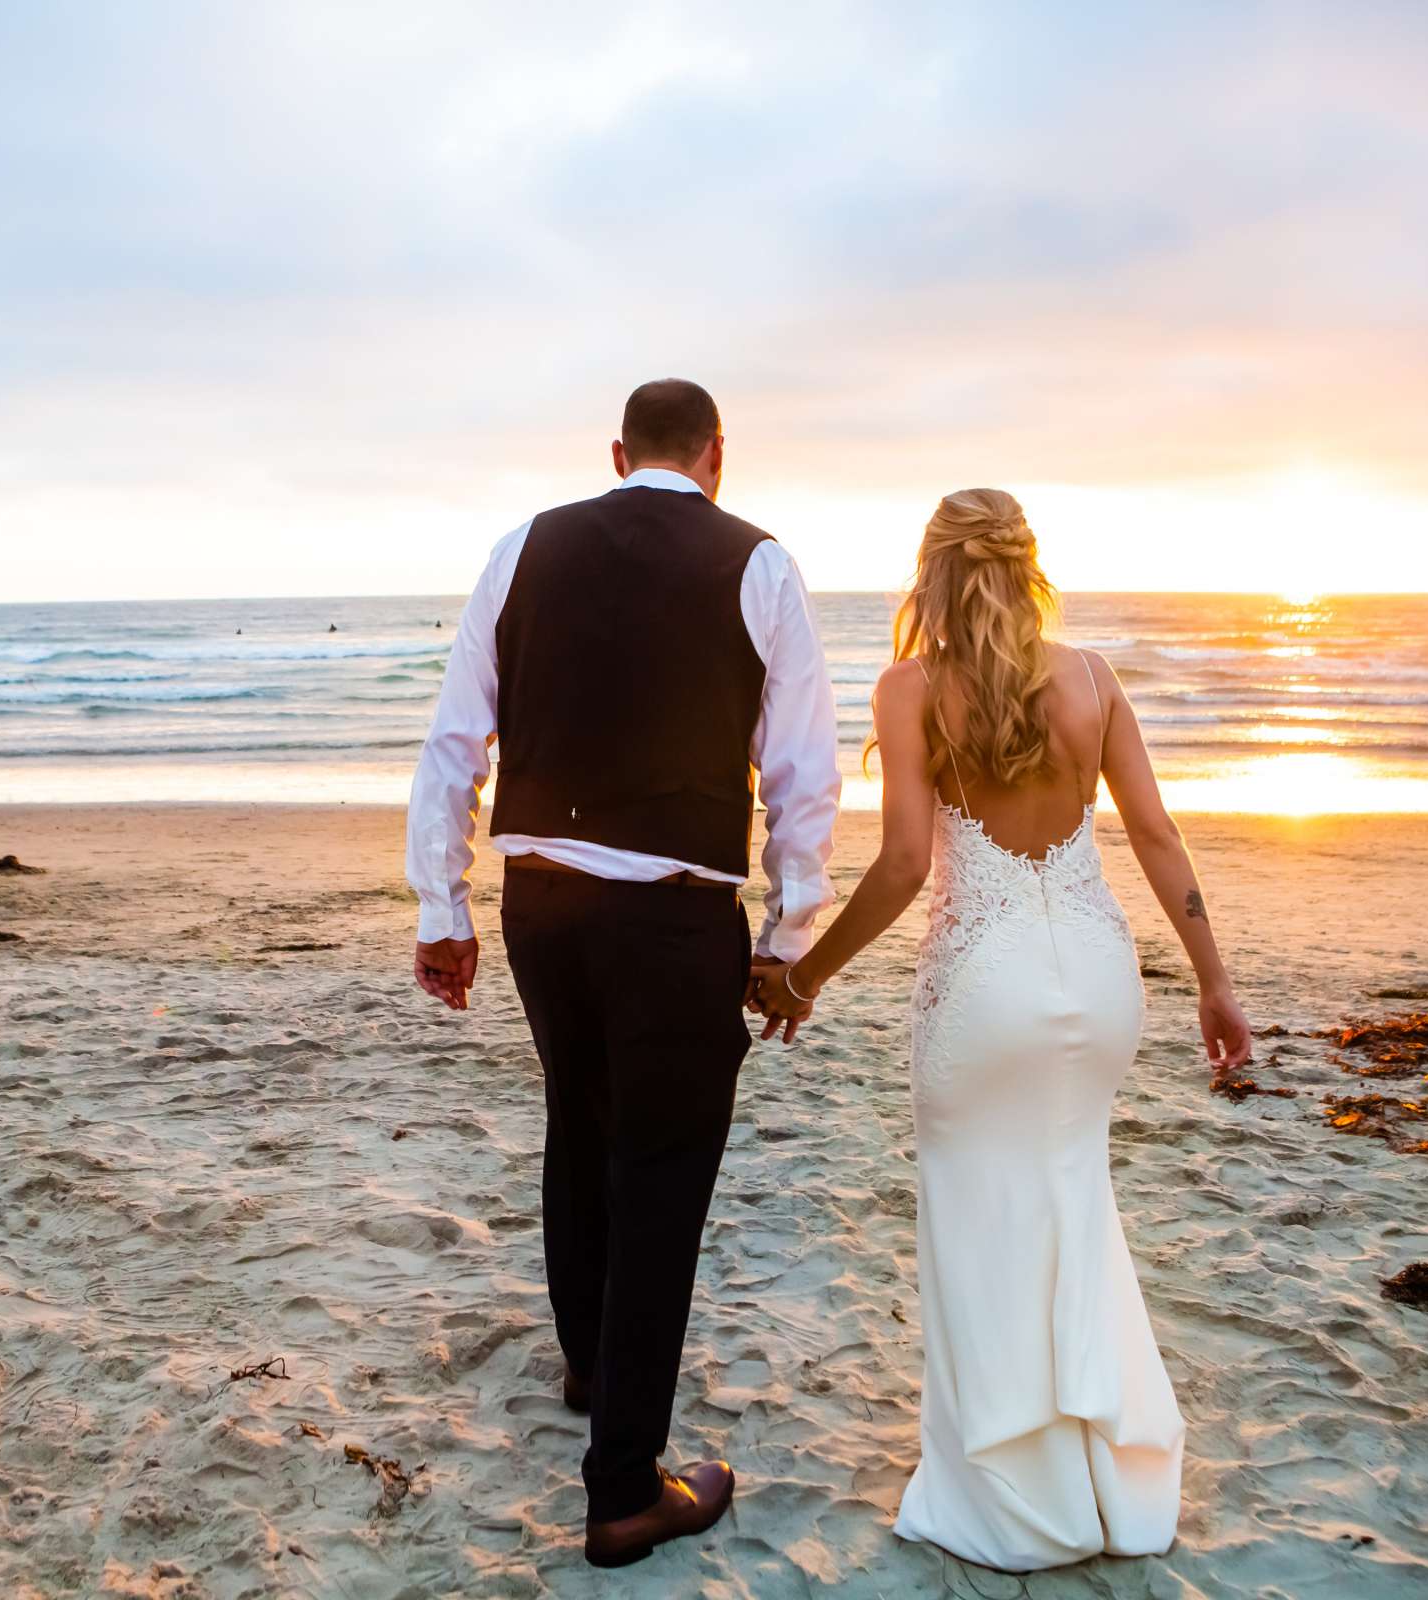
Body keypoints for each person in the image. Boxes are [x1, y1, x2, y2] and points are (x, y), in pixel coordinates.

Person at [751, 488, 1252, 1571]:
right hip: (1099, 973)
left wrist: (806, 975)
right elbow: (1158, 835)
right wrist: (1214, 981)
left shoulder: (911, 687)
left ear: (927, 573)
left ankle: (1019, 1503)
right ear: (1030, 568)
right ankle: (1109, 1491)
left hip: (986, 986)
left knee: (981, 1224)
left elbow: (902, 866)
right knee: (1074, 1204)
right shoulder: (1093, 678)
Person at [403, 379, 841, 1567]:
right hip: (670, 914)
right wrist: (788, 940)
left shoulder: (522, 548)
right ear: (715, 457)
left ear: (616, 455)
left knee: (579, 1124)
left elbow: (455, 740)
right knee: (661, 1175)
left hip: (541, 903)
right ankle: (623, 1491)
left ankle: (594, 1367)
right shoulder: (760, 565)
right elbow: (802, 771)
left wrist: (443, 909)